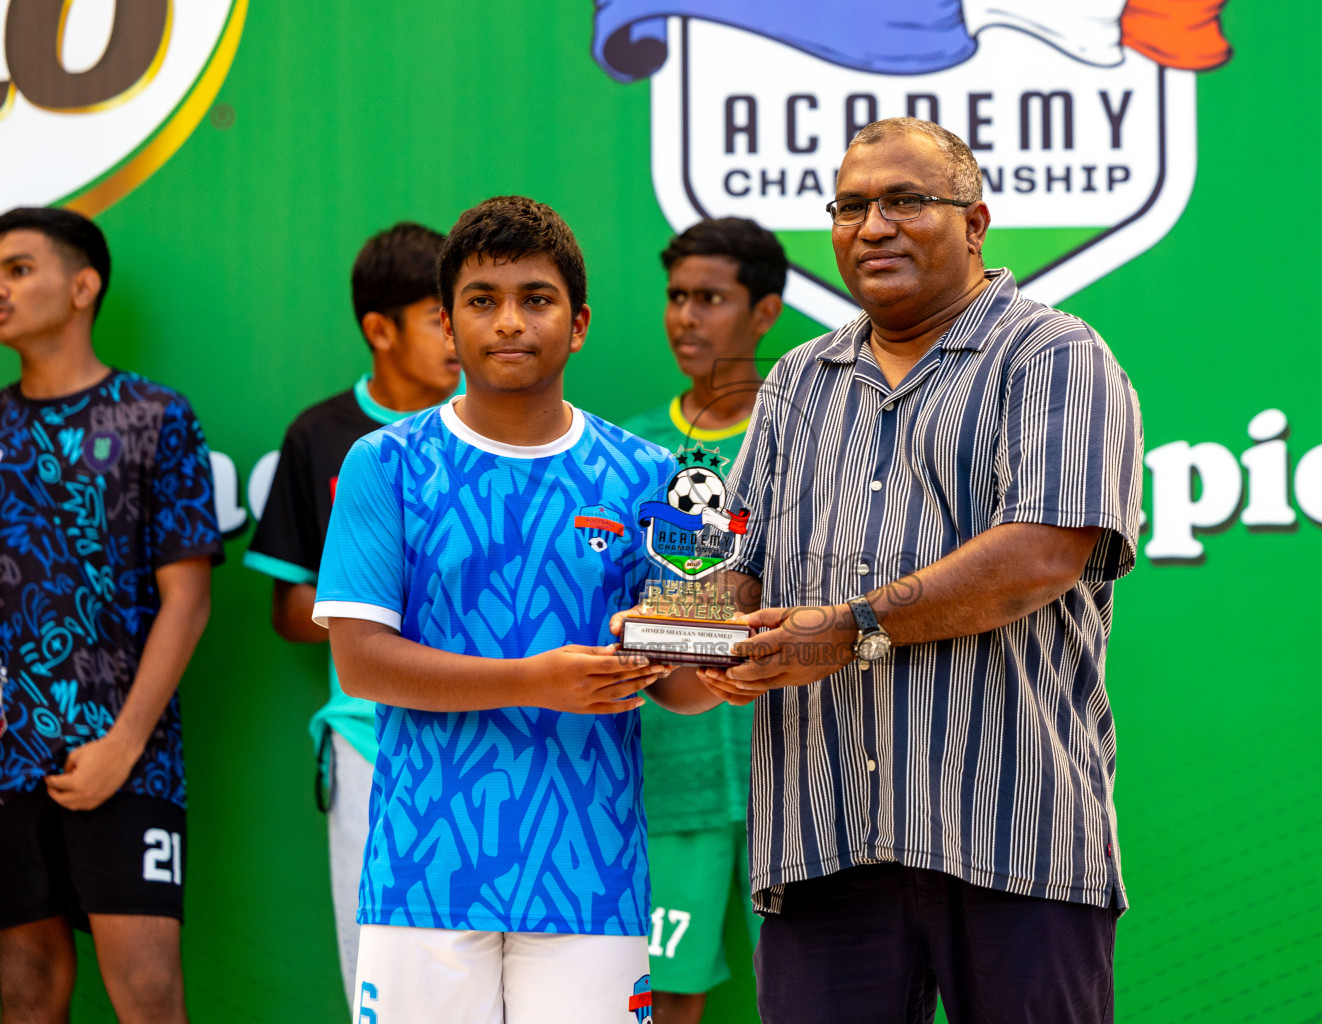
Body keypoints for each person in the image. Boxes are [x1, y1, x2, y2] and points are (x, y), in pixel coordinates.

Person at [695, 118, 1145, 1022]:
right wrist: (681, 624)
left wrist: (850, 626)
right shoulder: (795, 381)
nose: (874, 226)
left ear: (975, 223)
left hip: (1015, 840)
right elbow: (733, 566)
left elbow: (1038, 556)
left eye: (906, 201)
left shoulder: (1055, 356)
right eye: (852, 205)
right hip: (825, 849)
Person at [312, 195, 717, 1023]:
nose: (509, 323)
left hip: (591, 870)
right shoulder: (382, 464)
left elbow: (685, 685)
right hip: (424, 866)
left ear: (578, 324)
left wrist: (721, 655)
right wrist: (536, 679)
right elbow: (362, 661)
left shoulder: (654, 477)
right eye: (481, 301)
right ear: (449, 326)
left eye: (536, 299)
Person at [0, 207, 223, 1024]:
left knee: (149, 991)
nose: (2, 288)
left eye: (19, 269)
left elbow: (188, 600)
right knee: (21, 990)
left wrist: (122, 745)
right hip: (5, 764)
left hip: (127, 757)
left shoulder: (156, 417)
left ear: (83, 285)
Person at [241, 221, 460, 1009]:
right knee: (377, 973)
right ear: (379, 330)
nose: (459, 332)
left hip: (489, 730)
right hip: (367, 740)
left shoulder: (501, 423)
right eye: (438, 316)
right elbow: (290, 607)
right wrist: (380, 609)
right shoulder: (323, 435)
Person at [620, 217, 785, 1024]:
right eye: (677, 297)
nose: (687, 317)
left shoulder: (808, 438)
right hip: (669, 778)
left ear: (764, 311)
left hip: (791, 772)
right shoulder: (634, 452)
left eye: (711, 298)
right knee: (667, 998)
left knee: (809, 991)